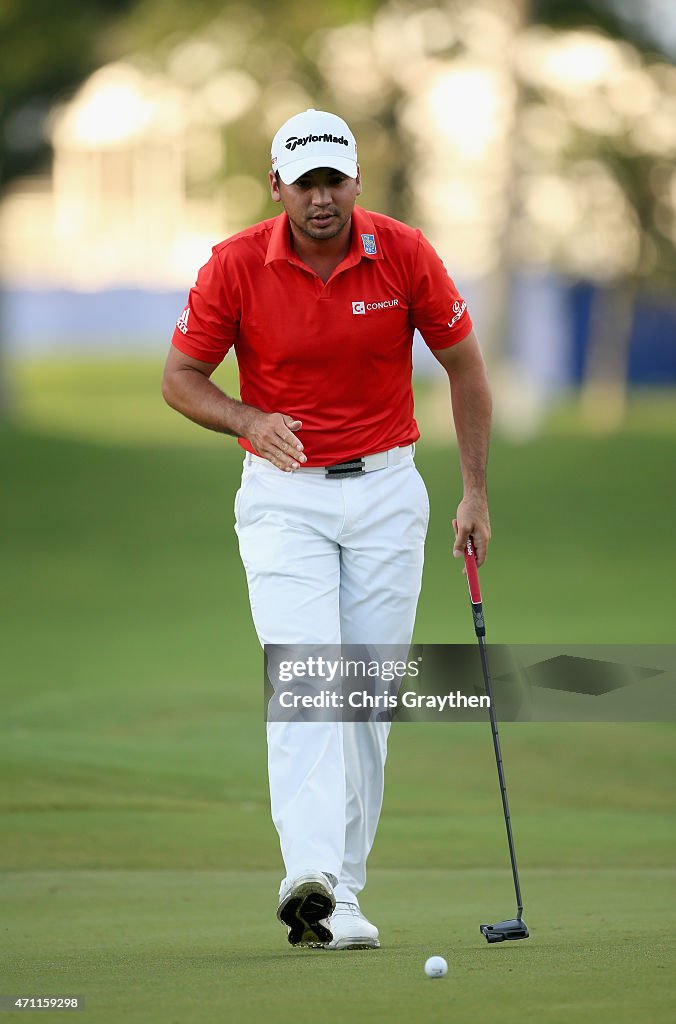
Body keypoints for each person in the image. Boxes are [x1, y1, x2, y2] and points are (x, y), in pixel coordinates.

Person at [162, 108, 492, 950]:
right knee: (310, 679)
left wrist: (475, 493)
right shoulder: (236, 265)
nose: (320, 198)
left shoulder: (403, 252)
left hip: (387, 492)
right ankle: (308, 875)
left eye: (333, 180)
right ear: (276, 186)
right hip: (284, 497)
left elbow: (464, 366)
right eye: (304, 183)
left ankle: (341, 895)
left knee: (368, 703)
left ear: (356, 180)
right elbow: (180, 378)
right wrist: (246, 417)